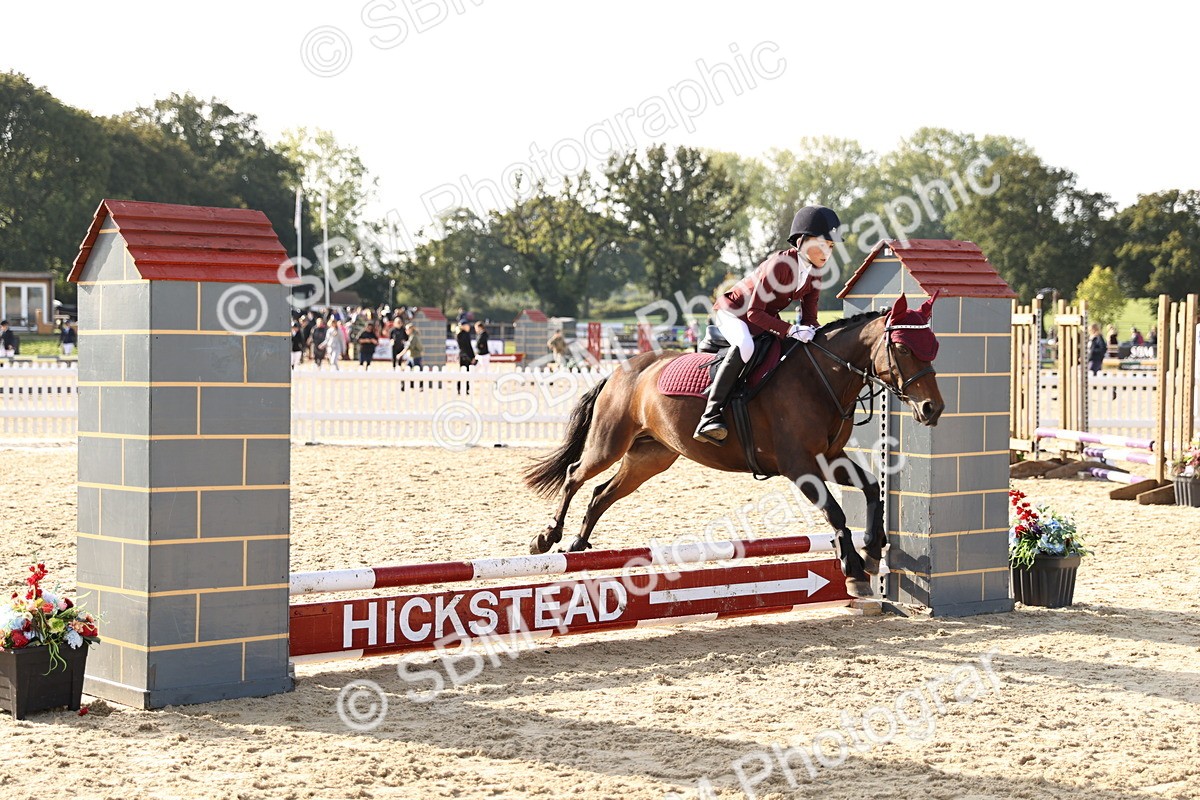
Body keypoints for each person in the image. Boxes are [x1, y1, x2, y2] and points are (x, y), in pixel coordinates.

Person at [694, 204, 841, 445]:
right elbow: (753, 313)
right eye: (823, 244)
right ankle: (710, 415)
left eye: (832, 246)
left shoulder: (815, 273)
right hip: (735, 312)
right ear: (803, 241)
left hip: (764, 317)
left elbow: (810, 317)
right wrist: (791, 330)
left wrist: (813, 333)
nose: (828, 252)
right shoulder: (781, 265)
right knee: (745, 347)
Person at [456, 321, 476, 395]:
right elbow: (468, 347)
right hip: (467, 356)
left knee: (462, 372)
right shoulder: (465, 334)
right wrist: (473, 357)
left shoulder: (459, 334)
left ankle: (460, 388)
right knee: (466, 372)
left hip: (462, 355)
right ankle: (465, 388)